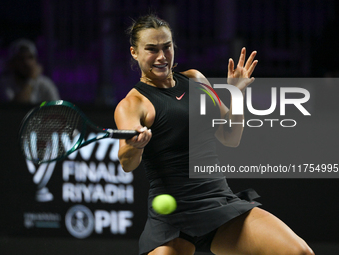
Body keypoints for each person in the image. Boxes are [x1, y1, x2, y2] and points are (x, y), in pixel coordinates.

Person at [114, 14, 314, 255]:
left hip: (218, 202)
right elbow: (127, 162)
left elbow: (230, 137)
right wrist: (135, 146)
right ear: (134, 52)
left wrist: (236, 93)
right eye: (151, 49)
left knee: (300, 252)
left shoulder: (196, 79)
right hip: (171, 219)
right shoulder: (132, 104)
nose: (161, 57)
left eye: (167, 47)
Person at [0, 38, 60, 104]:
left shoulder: (46, 84)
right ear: (12, 63)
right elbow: (17, 108)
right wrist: (31, 79)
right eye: (21, 58)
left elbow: (58, 111)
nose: (26, 63)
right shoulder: (4, 84)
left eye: (30, 57)